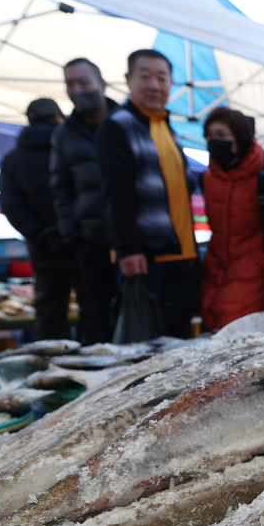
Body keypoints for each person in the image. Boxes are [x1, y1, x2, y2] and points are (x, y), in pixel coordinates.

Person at [96, 49, 199, 340]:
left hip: (181, 254)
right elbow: (115, 191)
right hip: (146, 257)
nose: (154, 85)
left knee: (179, 340)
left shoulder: (167, 126)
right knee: (148, 347)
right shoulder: (117, 125)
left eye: (162, 78)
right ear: (128, 79)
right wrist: (127, 248)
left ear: (170, 84)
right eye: (145, 76)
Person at [0, 98, 79, 340]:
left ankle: (49, 369)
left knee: (49, 314)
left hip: (43, 248)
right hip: (79, 243)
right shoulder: (72, 148)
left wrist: (39, 234)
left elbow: (10, 205)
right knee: (92, 312)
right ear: (57, 117)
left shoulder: (13, 159)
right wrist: (69, 230)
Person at [51, 57, 119, 344]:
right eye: (70, 83)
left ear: (101, 85)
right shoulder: (64, 134)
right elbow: (60, 188)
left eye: (83, 82)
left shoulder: (127, 122)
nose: (77, 89)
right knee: (98, 320)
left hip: (135, 243)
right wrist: (73, 237)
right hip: (92, 243)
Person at [198, 106, 264, 330]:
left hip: (253, 273)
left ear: (241, 138)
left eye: (222, 135)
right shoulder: (207, 178)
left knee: (239, 335)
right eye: (210, 136)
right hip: (213, 271)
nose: (214, 141)